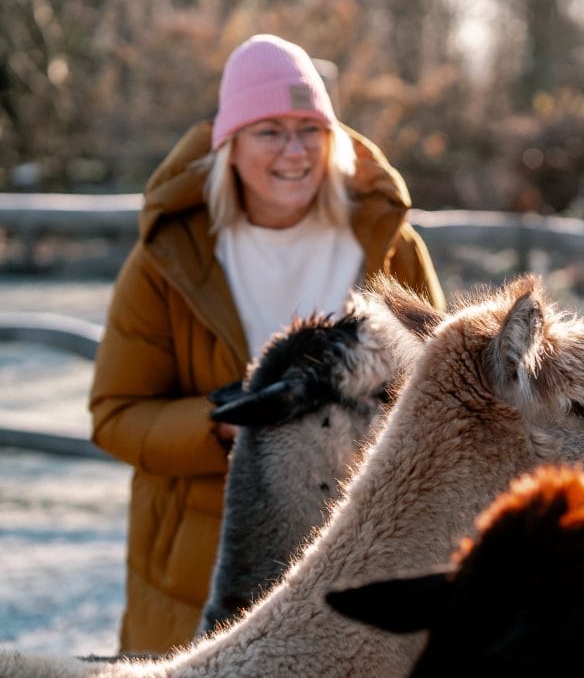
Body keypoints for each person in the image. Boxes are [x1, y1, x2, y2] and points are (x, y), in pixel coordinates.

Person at [89, 33, 445, 654]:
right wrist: (223, 426)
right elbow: (115, 413)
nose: (293, 151)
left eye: (309, 129)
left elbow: (441, 395)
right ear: (230, 144)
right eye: (268, 131)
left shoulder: (390, 248)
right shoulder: (170, 258)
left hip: (359, 547)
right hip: (197, 572)